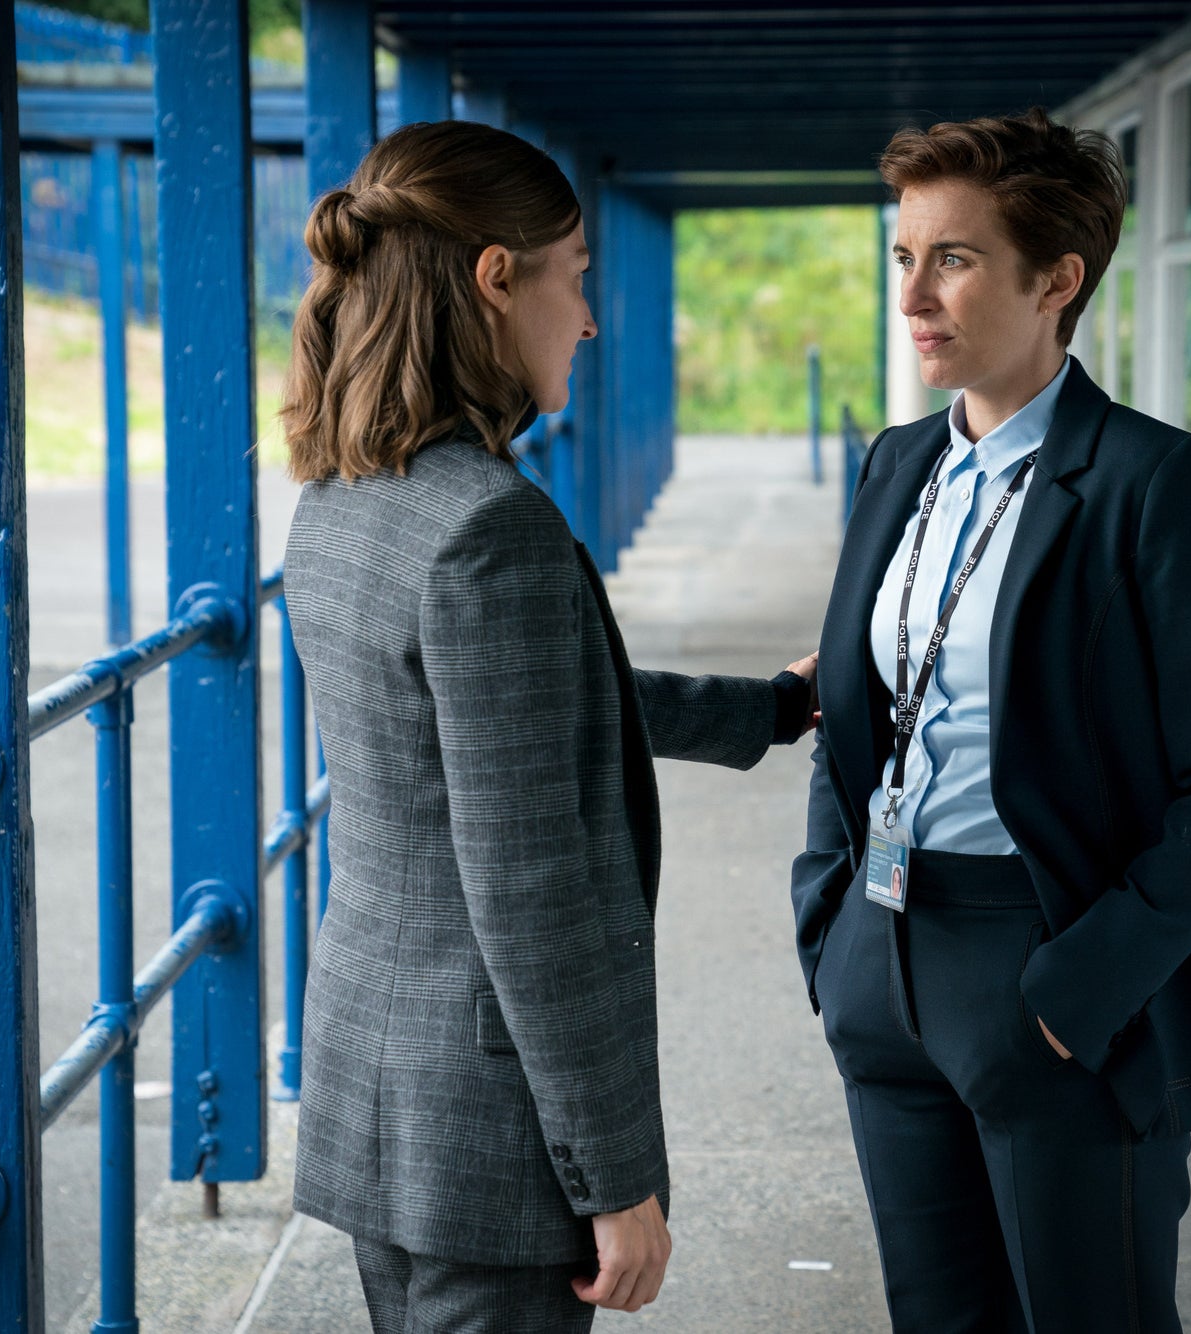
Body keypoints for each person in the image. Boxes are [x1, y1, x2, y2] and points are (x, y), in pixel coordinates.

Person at [280, 120, 816, 1334]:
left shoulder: (346, 495)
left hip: (387, 1090)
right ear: (494, 276)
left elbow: (523, 708)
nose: (585, 318)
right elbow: (529, 886)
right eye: (574, 273)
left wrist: (774, 708)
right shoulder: (488, 525)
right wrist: (613, 1177)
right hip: (490, 1131)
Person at [791, 108, 1191, 1333]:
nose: (914, 292)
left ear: (1056, 278)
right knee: (939, 1318)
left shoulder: (1157, 482)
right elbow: (861, 707)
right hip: (885, 961)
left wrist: (1080, 986)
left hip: (1046, 963)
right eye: (904, 255)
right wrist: (829, 917)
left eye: (954, 257)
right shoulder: (895, 461)